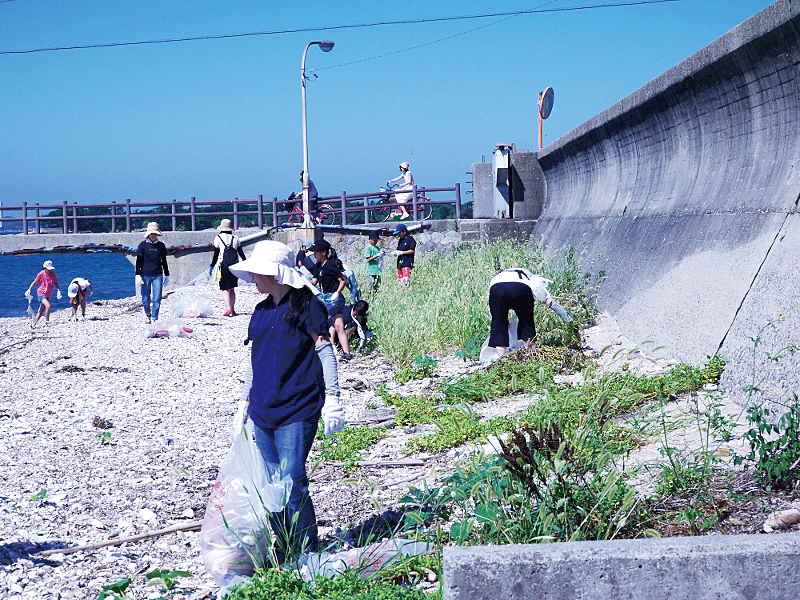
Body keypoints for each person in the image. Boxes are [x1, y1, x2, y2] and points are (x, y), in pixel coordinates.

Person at [227, 240, 344, 564]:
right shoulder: (262, 312)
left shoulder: (307, 305)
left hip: (298, 407)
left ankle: (306, 548)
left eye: (257, 272)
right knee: (271, 486)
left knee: (291, 479)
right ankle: (286, 543)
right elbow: (255, 360)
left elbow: (324, 351)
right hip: (263, 411)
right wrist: (242, 404)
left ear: (274, 274)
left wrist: (333, 398)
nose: (252, 278)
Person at [488, 268, 573, 358]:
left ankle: (502, 358)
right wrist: (570, 320)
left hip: (496, 288)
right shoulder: (529, 278)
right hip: (520, 288)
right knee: (526, 321)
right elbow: (550, 302)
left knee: (499, 322)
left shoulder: (498, 276)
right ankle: (530, 353)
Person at [308, 239, 353, 361]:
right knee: (338, 325)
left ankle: (329, 350)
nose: (314, 254)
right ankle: (343, 352)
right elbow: (314, 281)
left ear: (324, 252)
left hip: (334, 298)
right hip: (326, 296)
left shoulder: (331, 265)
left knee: (325, 323)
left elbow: (342, 281)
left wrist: (337, 293)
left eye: (316, 252)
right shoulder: (318, 266)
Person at [209, 219, 247, 317]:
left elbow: (216, 254)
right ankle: (233, 309)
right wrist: (245, 263)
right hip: (235, 265)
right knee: (232, 288)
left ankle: (228, 309)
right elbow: (241, 253)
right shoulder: (236, 238)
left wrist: (212, 266)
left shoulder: (218, 238)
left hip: (223, 265)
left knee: (225, 289)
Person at [135, 222, 170, 324]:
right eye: (152, 234)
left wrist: (167, 275)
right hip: (144, 275)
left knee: (157, 298)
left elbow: (164, 260)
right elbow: (139, 261)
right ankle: (147, 315)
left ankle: (154, 318)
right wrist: (137, 274)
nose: (153, 235)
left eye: (155, 234)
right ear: (148, 234)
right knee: (145, 299)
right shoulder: (142, 245)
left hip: (158, 275)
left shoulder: (161, 246)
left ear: (158, 234)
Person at [25, 260, 61, 328]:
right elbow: (35, 282)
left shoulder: (52, 274)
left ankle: (33, 324)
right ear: (45, 268)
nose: (50, 271)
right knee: (48, 306)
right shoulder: (41, 274)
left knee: (41, 311)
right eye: (48, 269)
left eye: (50, 269)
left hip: (48, 294)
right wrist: (29, 289)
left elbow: (55, 282)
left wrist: (58, 290)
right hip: (41, 293)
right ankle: (47, 321)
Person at [364, 230, 383, 294]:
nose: (375, 241)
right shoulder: (368, 248)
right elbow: (368, 259)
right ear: (370, 239)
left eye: (376, 240)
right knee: (369, 287)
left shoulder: (377, 248)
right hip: (370, 271)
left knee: (376, 288)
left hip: (377, 271)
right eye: (374, 240)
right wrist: (376, 256)